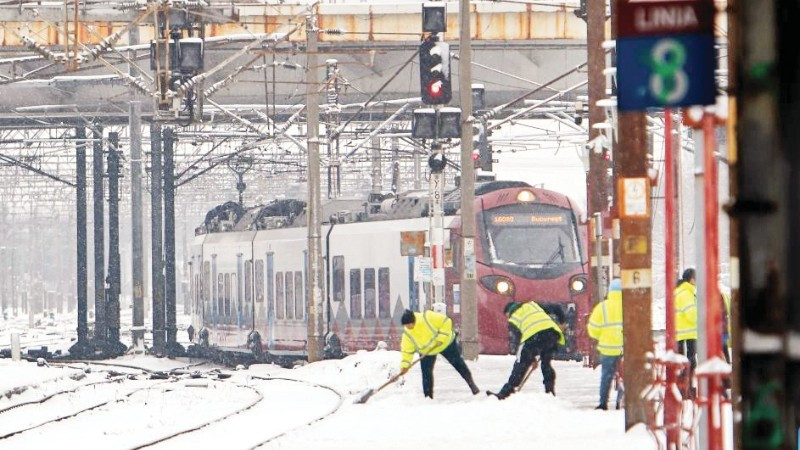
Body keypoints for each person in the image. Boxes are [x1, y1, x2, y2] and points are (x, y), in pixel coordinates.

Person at [491, 300, 565, 400]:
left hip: (534, 336)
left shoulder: (513, 319)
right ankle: (550, 391)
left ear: (509, 312)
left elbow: (521, 342)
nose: (508, 318)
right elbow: (556, 307)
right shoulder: (533, 305)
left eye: (507, 316)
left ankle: (505, 393)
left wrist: (531, 359)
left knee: (520, 364)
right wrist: (562, 323)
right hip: (552, 334)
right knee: (546, 364)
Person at [399, 309, 480, 399]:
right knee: (426, 373)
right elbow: (407, 351)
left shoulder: (427, 317)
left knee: (458, 364)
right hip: (427, 351)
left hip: (445, 343)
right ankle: (428, 397)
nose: (408, 327)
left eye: (409, 325)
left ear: (413, 321)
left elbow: (446, 321)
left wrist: (441, 337)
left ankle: (472, 385)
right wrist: (405, 365)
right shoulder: (407, 334)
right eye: (405, 326)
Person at [587, 278, 623, 410]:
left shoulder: (602, 307)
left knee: (606, 375)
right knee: (625, 375)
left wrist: (600, 336)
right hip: (625, 348)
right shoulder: (628, 305)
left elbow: (592, 328)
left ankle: (603, 403)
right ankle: (622, 400)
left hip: (608, 349)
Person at [675, 268, 698, 397]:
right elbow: (692, 314)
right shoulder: (685, 293)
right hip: (687, 335)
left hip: (682, 335)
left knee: (686, 364)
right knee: (689, 364)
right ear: (691, 279)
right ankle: (685, 389)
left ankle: (684, 388)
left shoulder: (681, 292)